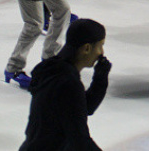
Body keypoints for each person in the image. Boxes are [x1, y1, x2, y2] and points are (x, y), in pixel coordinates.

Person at [18, 18, 110, 150]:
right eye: (100, 46)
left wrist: (100, 79)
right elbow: (80, 140)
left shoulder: (53, 69)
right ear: (87, 48)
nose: (101, 53)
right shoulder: (68, 83)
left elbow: (85, 108)